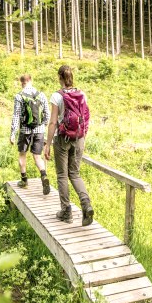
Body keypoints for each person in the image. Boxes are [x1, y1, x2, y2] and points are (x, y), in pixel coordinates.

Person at [44, 65, 94, 226]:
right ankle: (86, 205)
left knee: (62, 175)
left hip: (62, 139)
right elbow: (86, 117)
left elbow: (52, 122)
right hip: (79, 138)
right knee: (75, 174)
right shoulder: (82, 94)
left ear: (60, 77)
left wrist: (48, 144)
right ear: (71, 77)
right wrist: (82, 137)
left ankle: (66, 212)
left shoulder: (56, 96)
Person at [10, 74, 50, 194]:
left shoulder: (19, 96)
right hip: (39, 130)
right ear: (31, 80)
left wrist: (12, 133)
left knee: (22, 154)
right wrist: (43, 125)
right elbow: (47, 113)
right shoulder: (41, 94)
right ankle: (44, 176)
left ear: (21, 82)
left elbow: (16, 115)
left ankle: (24, 180)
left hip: (25, 130)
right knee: (37, 156)